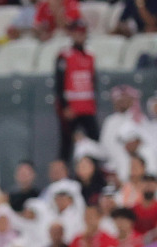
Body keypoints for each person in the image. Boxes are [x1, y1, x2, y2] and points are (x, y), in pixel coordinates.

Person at [55, 19, 99, 163]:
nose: (79, 36)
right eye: (77, 33)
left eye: (82, 33)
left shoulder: (90, 56)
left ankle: (94, 170)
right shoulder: (64, 56)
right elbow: (59, 83)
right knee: (67, 143)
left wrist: (93, 104)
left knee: (94, 139)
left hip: (87, 107)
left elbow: (93, 81)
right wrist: (65, 106)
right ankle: (63, 172)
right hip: (71, 108)